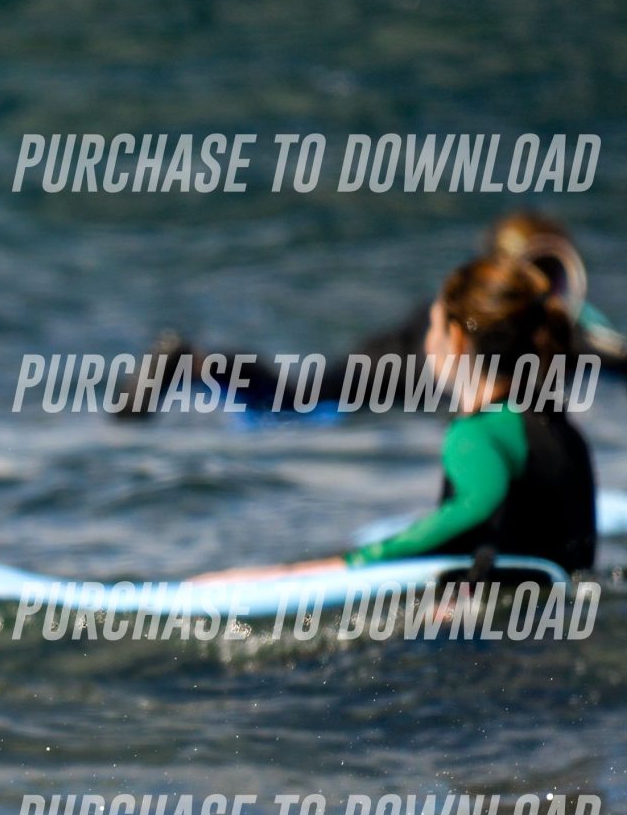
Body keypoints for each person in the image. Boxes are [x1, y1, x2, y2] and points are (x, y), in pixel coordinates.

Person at [199, 252, 598, 580]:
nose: (426, 341)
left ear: (457, 340)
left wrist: (346, 563)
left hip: (501, 638)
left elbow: (476, 506)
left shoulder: (477, 434)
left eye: (434, 326)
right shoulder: (562, 428)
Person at [123, 210, 624, 418]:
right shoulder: (521, 330)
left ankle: (193, 362)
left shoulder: (571, 330)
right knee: (294, 404)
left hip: (406, 351)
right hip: (404, 365)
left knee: (297, 396)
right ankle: (191, 363)